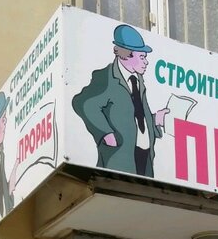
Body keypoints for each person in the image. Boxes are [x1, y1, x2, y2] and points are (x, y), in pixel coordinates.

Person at [72, 24, 170, 177]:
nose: (146, 62)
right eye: (142, 57)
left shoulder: (138, 80)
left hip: (144, 159)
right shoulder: (107, 77)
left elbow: (137, 119)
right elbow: (83, 102)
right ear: (127, 55)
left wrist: (155, 119)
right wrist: (106, 133)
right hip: (119, 160)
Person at [0, 91, 21, 222]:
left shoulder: (0, 157)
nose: (5, 122)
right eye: (3, 119)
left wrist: (16, 167)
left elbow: (5, 194)